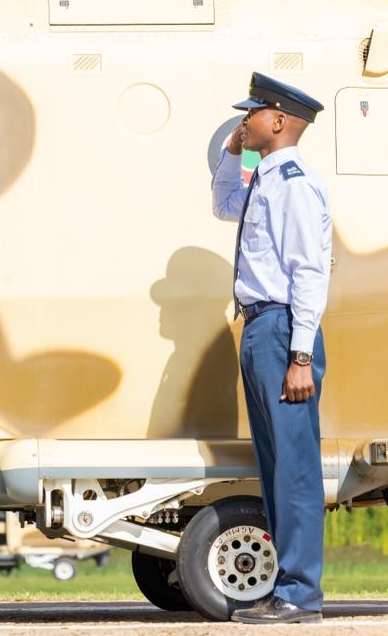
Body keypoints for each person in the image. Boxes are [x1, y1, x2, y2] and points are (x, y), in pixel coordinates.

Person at [211, 72, 330, 625]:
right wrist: (232, 153)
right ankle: (287, 589)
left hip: (284, 330)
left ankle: (300, 594)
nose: (245, 120)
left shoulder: (295, 185)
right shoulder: (264, 181)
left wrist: (301, 356)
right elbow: (223, 204)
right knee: (275, 462)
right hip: (261, 328)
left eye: (253, 114)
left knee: (296, 468)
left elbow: (309, 272)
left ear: (278, 121)